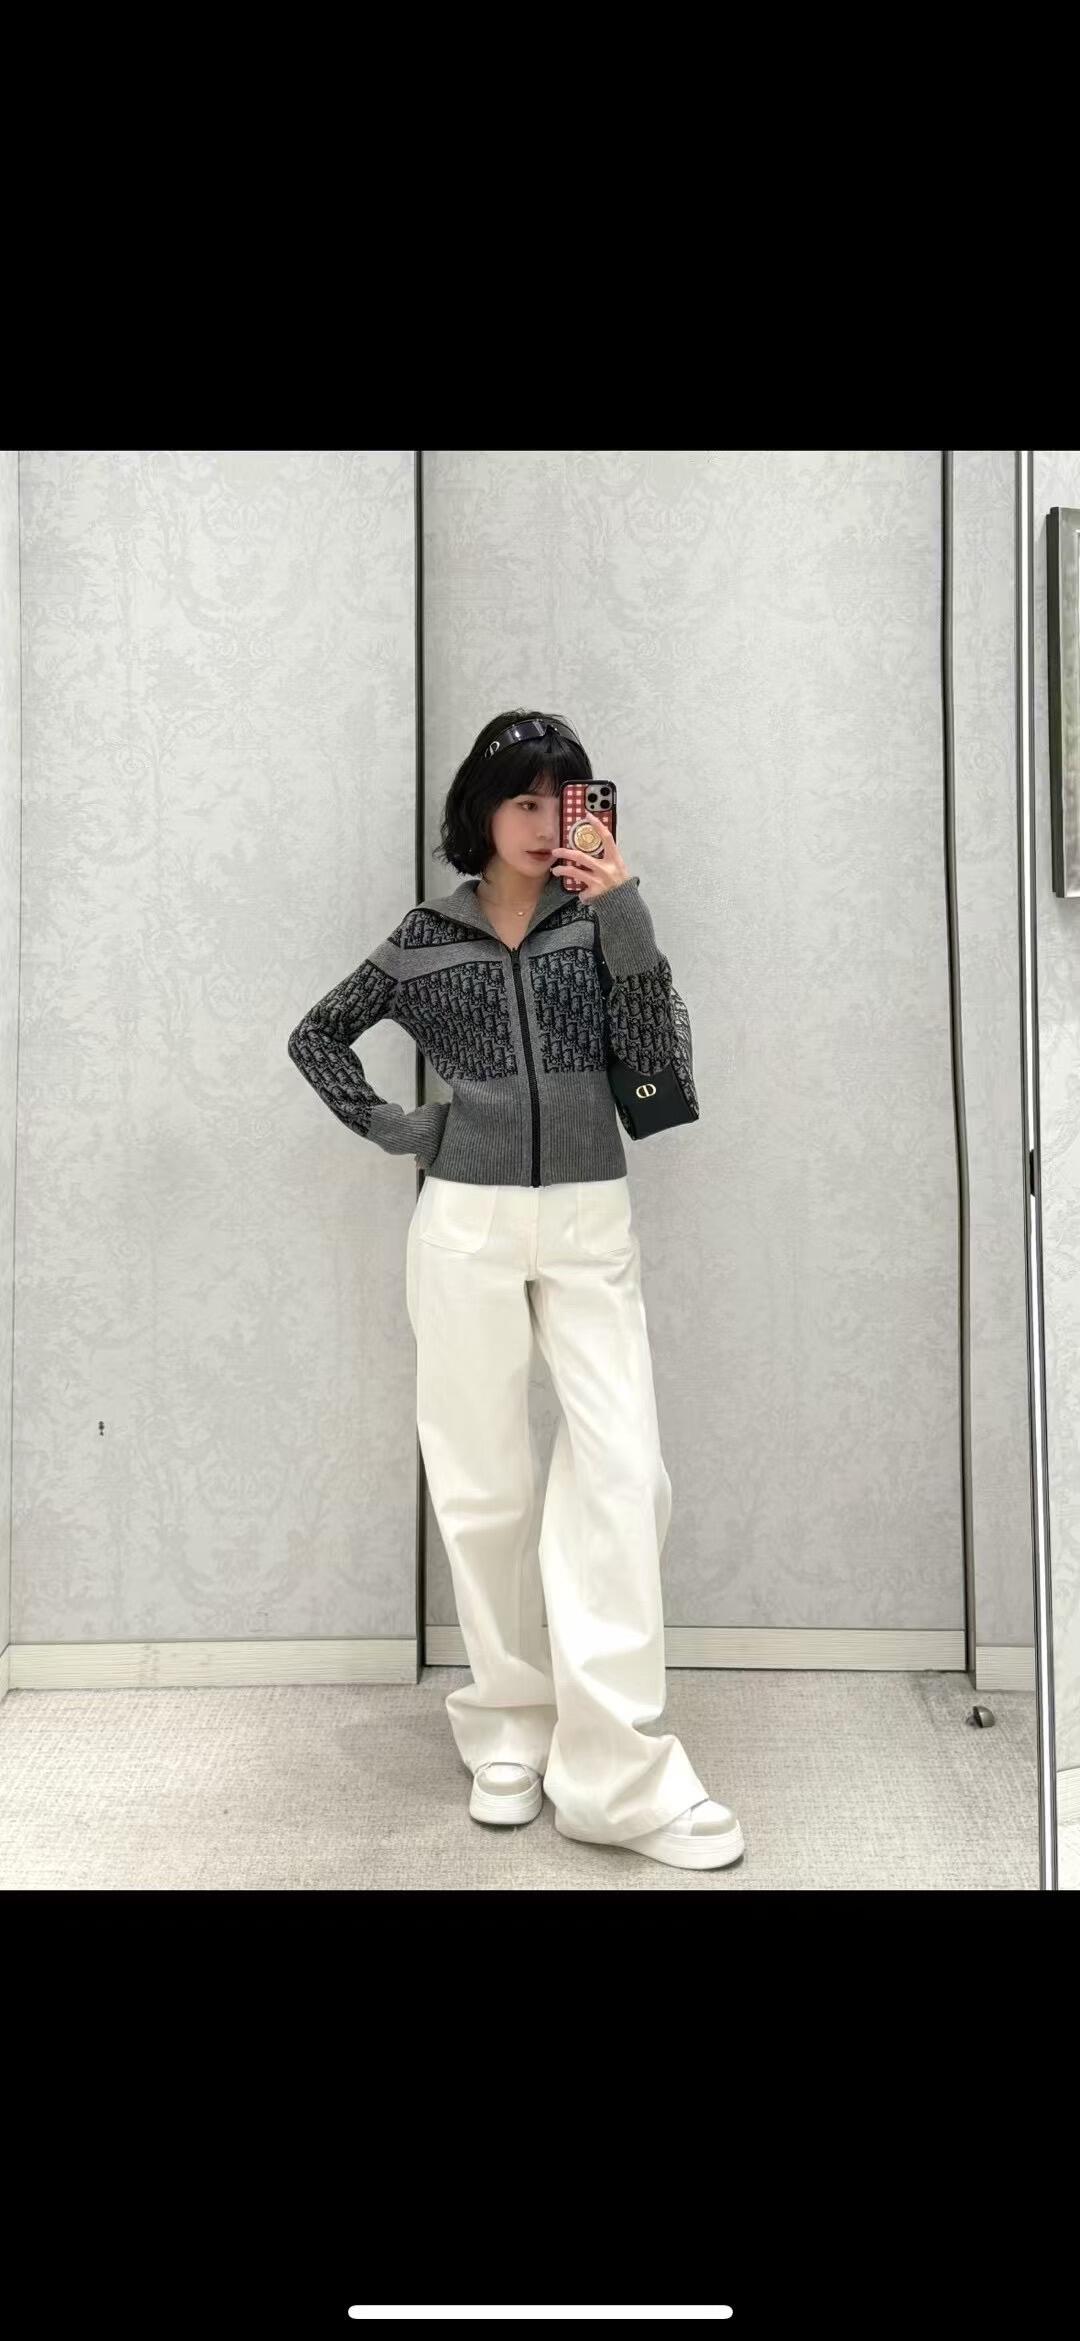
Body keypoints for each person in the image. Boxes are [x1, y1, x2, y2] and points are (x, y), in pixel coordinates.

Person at [288, 710, 744, 1872]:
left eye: (564, 800)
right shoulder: (424, 936)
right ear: (482, 812)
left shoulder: (598, 920)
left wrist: (625, 909)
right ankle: (506, 1725)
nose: (547, 824)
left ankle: (617, 1773)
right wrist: (402, 1127)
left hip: (590, 1218)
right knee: (482, 1478)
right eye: (525, 801)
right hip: (466, 1224)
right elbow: (320, 1034)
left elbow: (660, 1065)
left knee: (624, 1474)